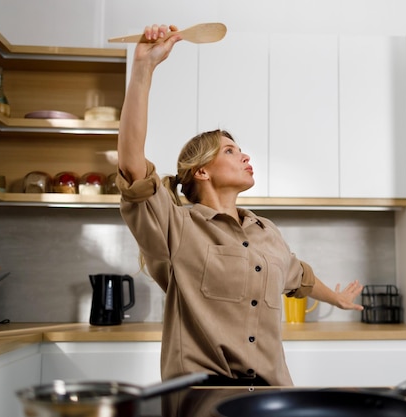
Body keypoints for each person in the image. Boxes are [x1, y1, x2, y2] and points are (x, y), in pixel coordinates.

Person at [116, 24, 364, 387]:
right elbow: (132, 166)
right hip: (202, 398)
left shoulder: (267, 233)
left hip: (271, 396)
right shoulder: (178, 227)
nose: (244, 155)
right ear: (201, 171)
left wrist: (338, 299)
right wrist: (143, 69)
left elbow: (300, 277)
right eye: (230, 151)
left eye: (240, 148)